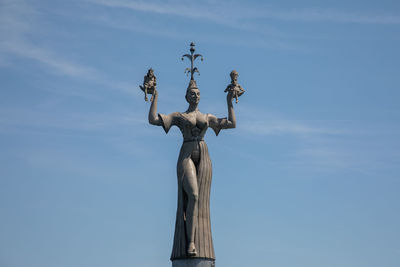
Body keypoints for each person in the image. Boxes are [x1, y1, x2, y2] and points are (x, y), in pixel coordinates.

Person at [148, 79, 236, 260]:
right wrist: (154, 96)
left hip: (203, 157)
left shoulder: (208, 117)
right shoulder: (179, 116)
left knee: (201, 200)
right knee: (193, 196)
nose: (195, 96)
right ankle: (190, 243)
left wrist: (229, 101)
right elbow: (153, 119)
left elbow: (232, 123)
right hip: (186, 155)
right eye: (192, 93)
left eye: (198, 93)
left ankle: (197, 241)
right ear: (186, 96)